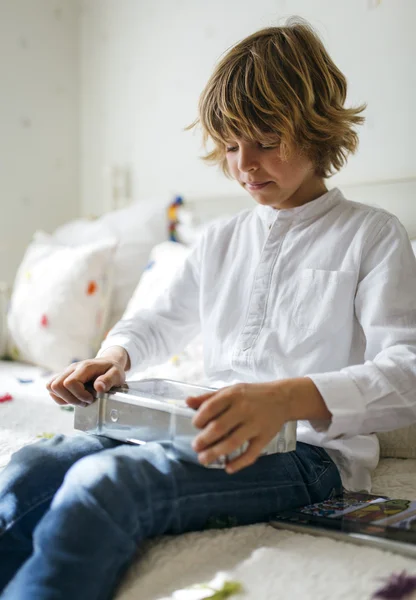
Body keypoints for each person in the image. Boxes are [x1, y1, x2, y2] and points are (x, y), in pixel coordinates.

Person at [1, 17, 416, 600]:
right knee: (31, 470)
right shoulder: (220, 239)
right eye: (230, 145)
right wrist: (115, 355)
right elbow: (154, 318)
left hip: (308, 453)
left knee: (106, 483)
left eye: (266, 142)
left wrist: (286, 398)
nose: (244, 164)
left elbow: (407, 372)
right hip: (196, 427)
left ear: (319, 129)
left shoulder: (372, 235)